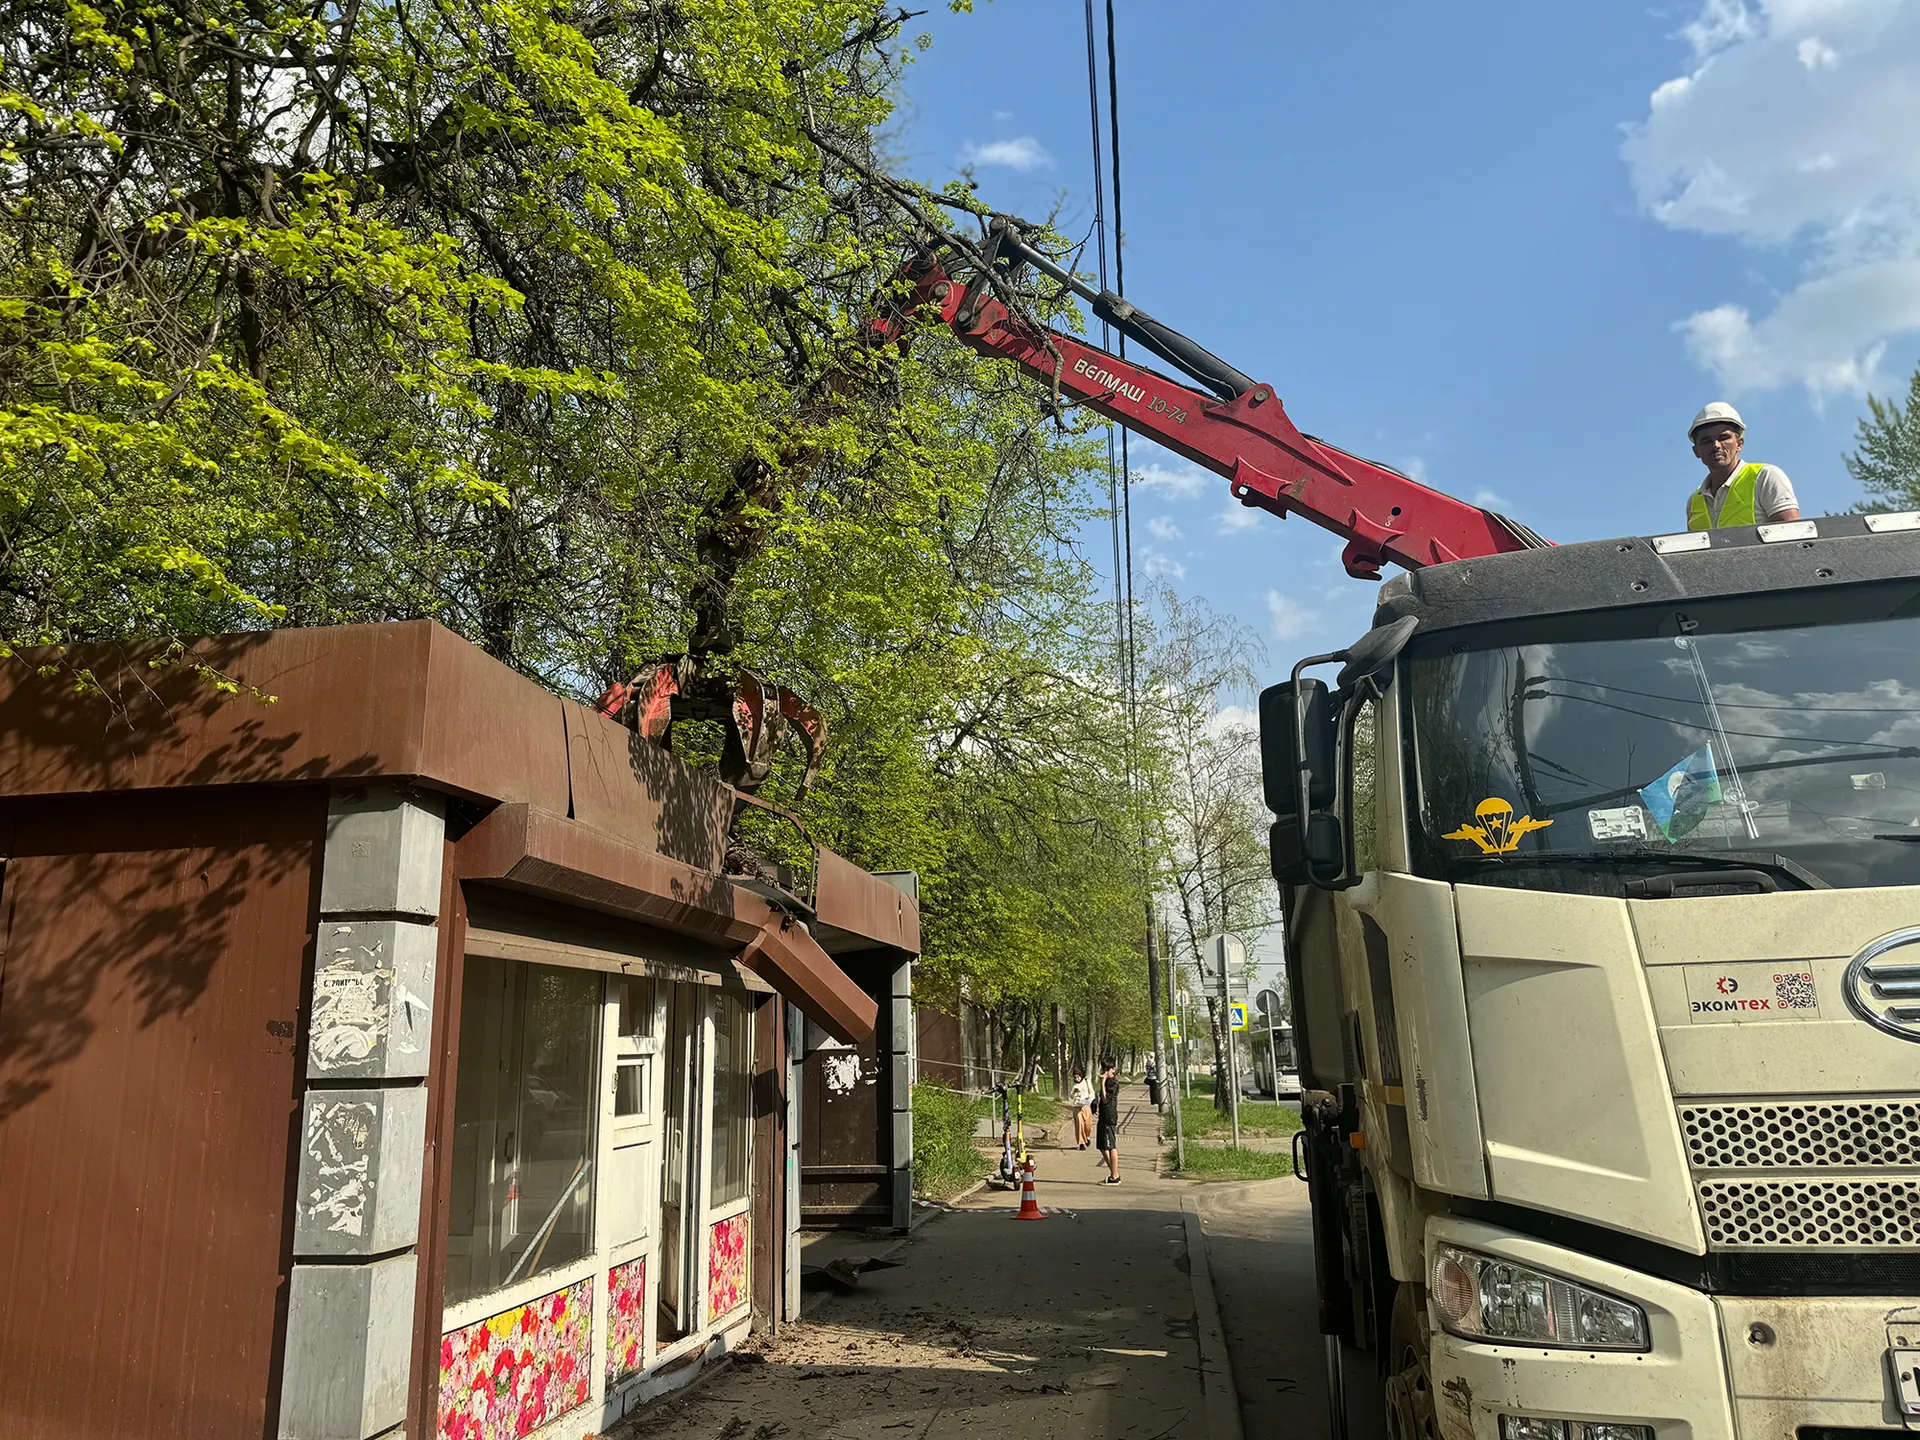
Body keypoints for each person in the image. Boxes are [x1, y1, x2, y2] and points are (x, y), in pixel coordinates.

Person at [1685, 402, 1800, 531]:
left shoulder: (1764, 477)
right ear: (1696, 451)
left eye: (1724, 437)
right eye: (1706, 441)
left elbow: (1793, 533)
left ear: (1739, 444)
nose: (1716, 445)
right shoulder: (1694, 503)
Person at [1097, 1056, 1121, 1184]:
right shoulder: (1106, 1081)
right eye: (1104, 1069)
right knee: (1101, 1145)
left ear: (1113, 1069)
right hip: (1102, 1116)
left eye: (1108, 1069)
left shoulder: (1113, 1083)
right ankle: (1113, 1173)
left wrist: (1102, 1084)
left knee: (1111, 1146)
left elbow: (1106, 1099)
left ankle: (1114, 1175)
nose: (1106, 1072)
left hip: (1109, 1116)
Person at [1067, 1068, 1094, 1150]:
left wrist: (1088, 1099)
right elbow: (1070, 1096)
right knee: (1079, 1125)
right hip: (1077, 1107)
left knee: (1088, 1125)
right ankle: (1081, 1143)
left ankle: (1087, 1137)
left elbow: (1092, 1093)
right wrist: (1074, 1092)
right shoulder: (1073, 1084)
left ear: (1081, 1076)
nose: (1077, 1079)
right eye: (1075, 1077)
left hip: (1086, 1105)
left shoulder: (1086, 1081)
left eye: (1078, 1077)